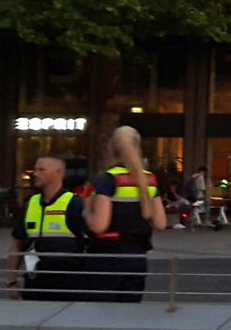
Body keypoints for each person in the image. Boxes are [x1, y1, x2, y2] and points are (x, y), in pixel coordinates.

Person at [86, 126, 166, 303]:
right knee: (128, 313)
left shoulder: (108, 179)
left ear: (111, 149)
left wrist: (86, 212)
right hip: (137, 257)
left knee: (98, 313)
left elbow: (99, 225)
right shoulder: (149, 180)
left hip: (107, 258)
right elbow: (160, 223)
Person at [12, 155, 86, 300]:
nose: (36, 173)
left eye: (41, 170)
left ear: (57, 172)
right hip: (35, 280)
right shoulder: (31, 203)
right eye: (36, 169)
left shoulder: (74, 203)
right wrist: (12, 281)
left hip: (68, 283)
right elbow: (16, 244)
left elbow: (89, 243)